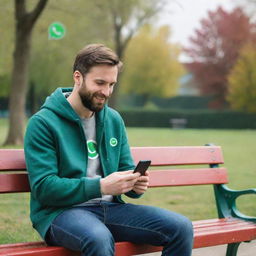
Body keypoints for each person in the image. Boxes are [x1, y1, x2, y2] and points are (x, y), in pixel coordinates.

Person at [24, 44, 193, 256]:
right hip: (61, 213)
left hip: (111, 209)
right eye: (100, 83)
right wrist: (101, 186)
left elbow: (124, 168)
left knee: (181, 227)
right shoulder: (43, 123)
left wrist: (134, 185)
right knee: (99, 238)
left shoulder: (113, 119)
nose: (106, 92)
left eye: (112, 84)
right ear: (78, 77)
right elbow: (44, 188)